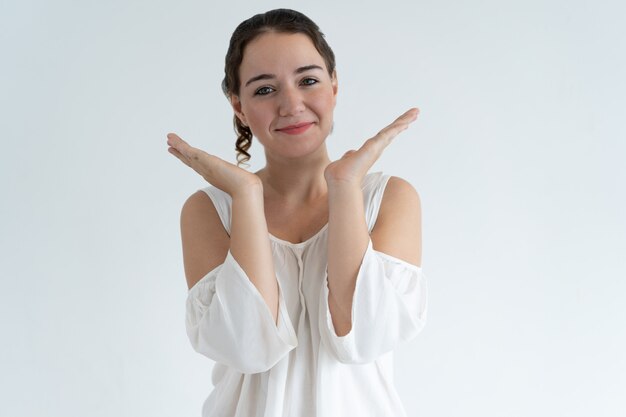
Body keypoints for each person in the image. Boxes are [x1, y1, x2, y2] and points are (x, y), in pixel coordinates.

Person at [166, 8, 428, 417]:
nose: (291, 104)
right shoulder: (210, 210)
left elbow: (362, 339)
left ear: (334, 86)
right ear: (239, 106)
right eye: (264, 90)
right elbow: (247, 348)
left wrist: (344, 188)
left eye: (308, 80)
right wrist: (247, 194)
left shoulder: (389, 198)